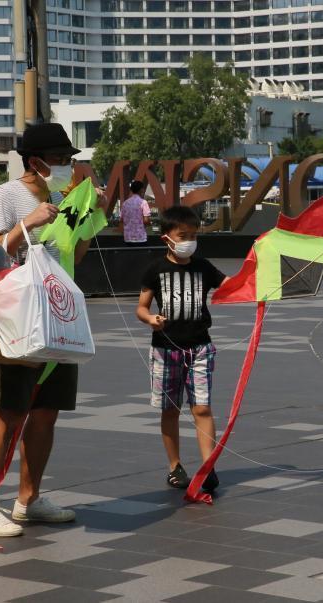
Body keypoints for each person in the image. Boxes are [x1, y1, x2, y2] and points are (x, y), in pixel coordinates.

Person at [0, 122, 101, 538]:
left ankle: (29, 498)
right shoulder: (5, 196)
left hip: (59, 317)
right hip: (19, 318)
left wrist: (90, 212)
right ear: (36, 161)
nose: (67, 166)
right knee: (9, 412)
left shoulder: (66, 196)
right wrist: (27, 223)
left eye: (70, 159)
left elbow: (77, 249)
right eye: (61, 159)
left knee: (46, 413)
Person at [136, 206, 226, 492]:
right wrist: (151, 319)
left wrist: (259, 281)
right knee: (170, 410)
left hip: (201, 347)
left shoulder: (204, 267)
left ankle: (207, 466)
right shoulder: (155, 269)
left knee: (202, 407)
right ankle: (174, 466)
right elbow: (141, 307)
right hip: (165, 349)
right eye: (183, 235)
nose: (189, 240)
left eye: (194, 235)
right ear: (167, 238)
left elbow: (231, 287)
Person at [119, 180, 151, 246]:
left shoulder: (125, 203)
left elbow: (121, 220)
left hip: (128, 238)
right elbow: (146, 220)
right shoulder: (143, 202)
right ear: (141, 190)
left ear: (131, 190)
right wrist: (150, 224)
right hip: (140, 238)